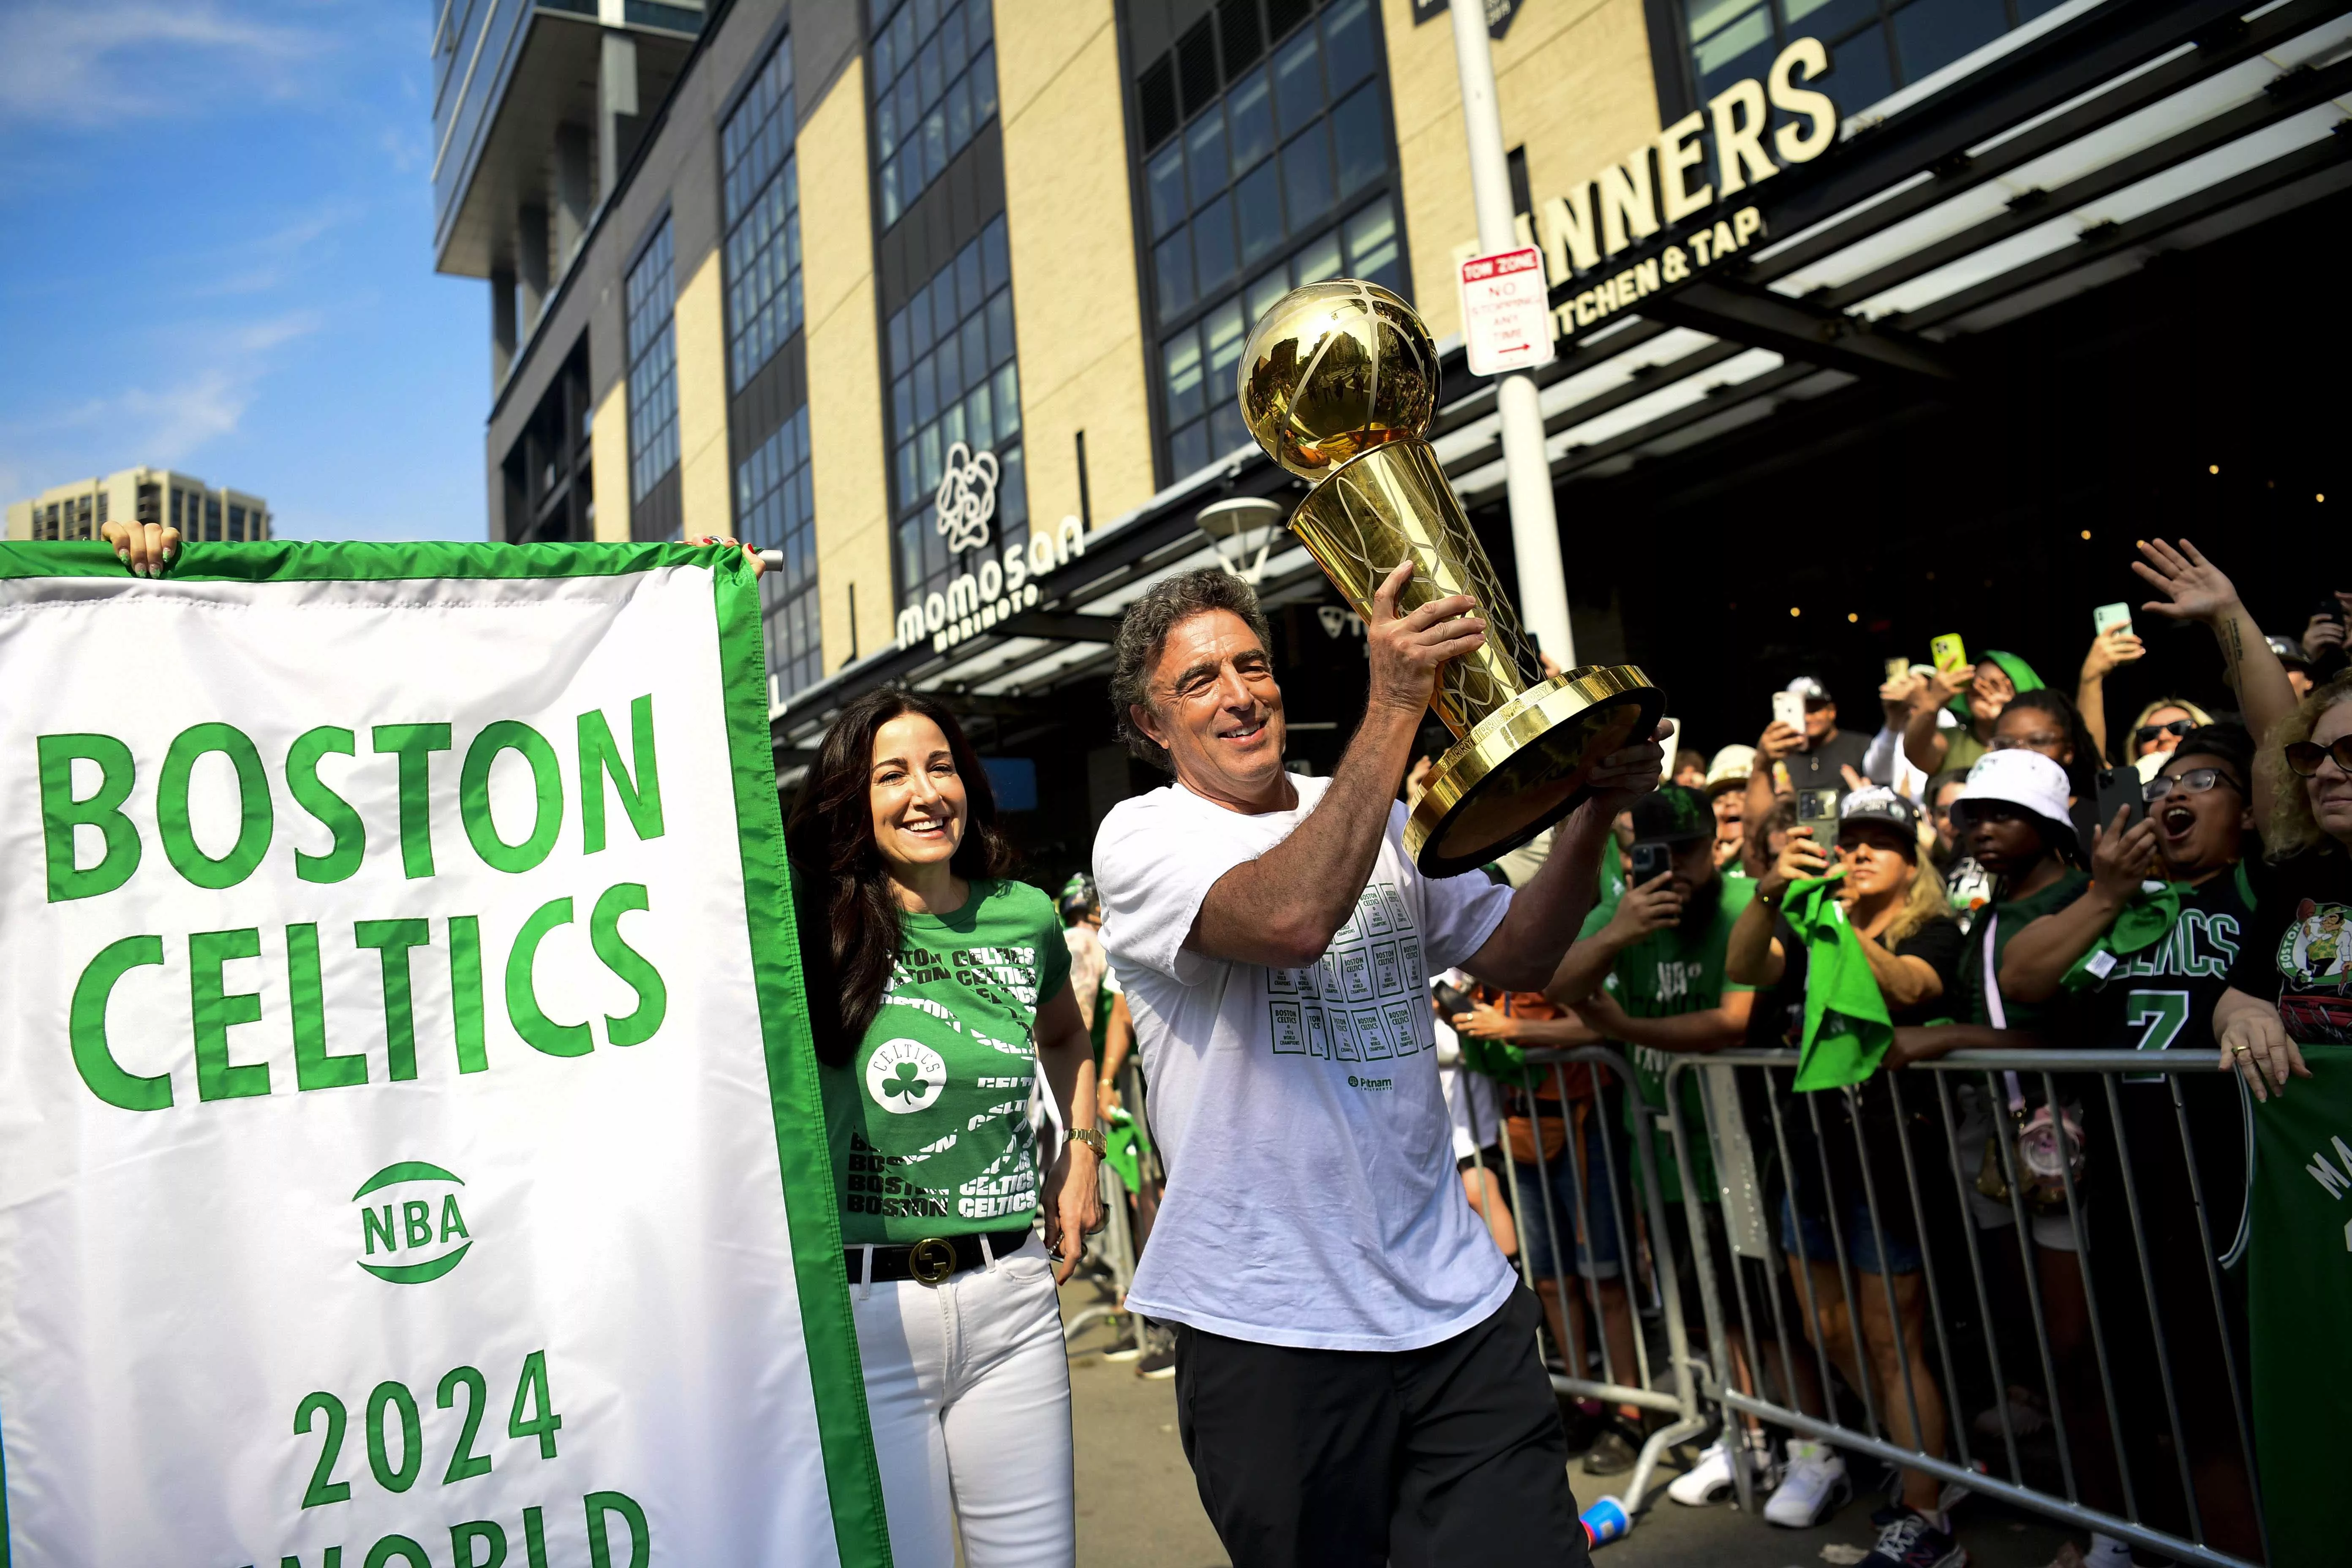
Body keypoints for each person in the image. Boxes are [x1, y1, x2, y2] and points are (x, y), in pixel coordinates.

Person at [1093, 564, 1664, 1567]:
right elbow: (1291, 918)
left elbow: (1526, 958)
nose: (1239, 694)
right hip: (1271, 1327)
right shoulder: (1141, 839)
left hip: (1455, 1308)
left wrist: (1588, 811)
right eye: (1199, 682)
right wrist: (1396, 704)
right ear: (1150, 725)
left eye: (1253, 666)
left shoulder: (1388, 825)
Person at [787, 688, 1102, 1567]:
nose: (926, 791)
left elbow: (1068, 1034)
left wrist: (1082, 1156)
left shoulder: (1026, 914)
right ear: (854, 798)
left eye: (941, 765)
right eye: (892, 774)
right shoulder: (809, 930)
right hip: (862, 1316)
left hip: (1013, 1308)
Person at [1996, 726, 2264, 1564]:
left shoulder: (2269, 893)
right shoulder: (2127, 905)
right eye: (2160, 785)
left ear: (2252, 813)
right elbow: (2022, 977)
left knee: (2230, 1402)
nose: (2170, 795)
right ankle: (2139, 1537)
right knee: (2147, 1388)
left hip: (2235, 1197)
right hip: (2129, 1194)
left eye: (2202, 778)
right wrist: (2108, 894)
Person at [1725, 789, 1964, 1538]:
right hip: (1812, 1155)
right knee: (1827, 1329)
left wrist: (1833, 920)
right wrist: (1770, 892)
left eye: (1878, 842)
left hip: (1890, 1160)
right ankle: (1910, 1453)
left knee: (1894, 1339)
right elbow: (1743, 966)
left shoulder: (1935, 928)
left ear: (1910, 859)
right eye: (1849, 839)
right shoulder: (1807, 920)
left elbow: (1909, 988)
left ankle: (1926, 1508)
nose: (1858, 853)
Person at [1451, 985, 1646, 1473]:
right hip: (1523, 1126)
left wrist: (1515, 1029)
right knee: (1554, 1281)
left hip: (1585, 1120)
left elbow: (1602, 1023)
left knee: (1604, 1279)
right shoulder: (1489, 961)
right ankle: (1584, 1403)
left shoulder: (1563, 941)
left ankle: (1630, 1412)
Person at [1904, 651, 2041, 778]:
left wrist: (2008, 719)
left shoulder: (2041, 742)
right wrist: (1931, 703)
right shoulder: (1952, 741)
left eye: (1996, 685)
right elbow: (1916, 751)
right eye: (1975, 684)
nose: (1982, 692)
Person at [1757, 677, 1873, 792]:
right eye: (1801, 711)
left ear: (1832, 711)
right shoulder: (1780, 756)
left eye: (1814, 710)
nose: (1807, 718)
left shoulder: (1863, 747)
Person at [2074, 621, 2146, 765]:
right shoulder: (2126, 788)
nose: (2164, 737)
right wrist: (2091, 678)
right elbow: (2093, 765)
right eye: (2150, 734)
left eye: (2180, 728)